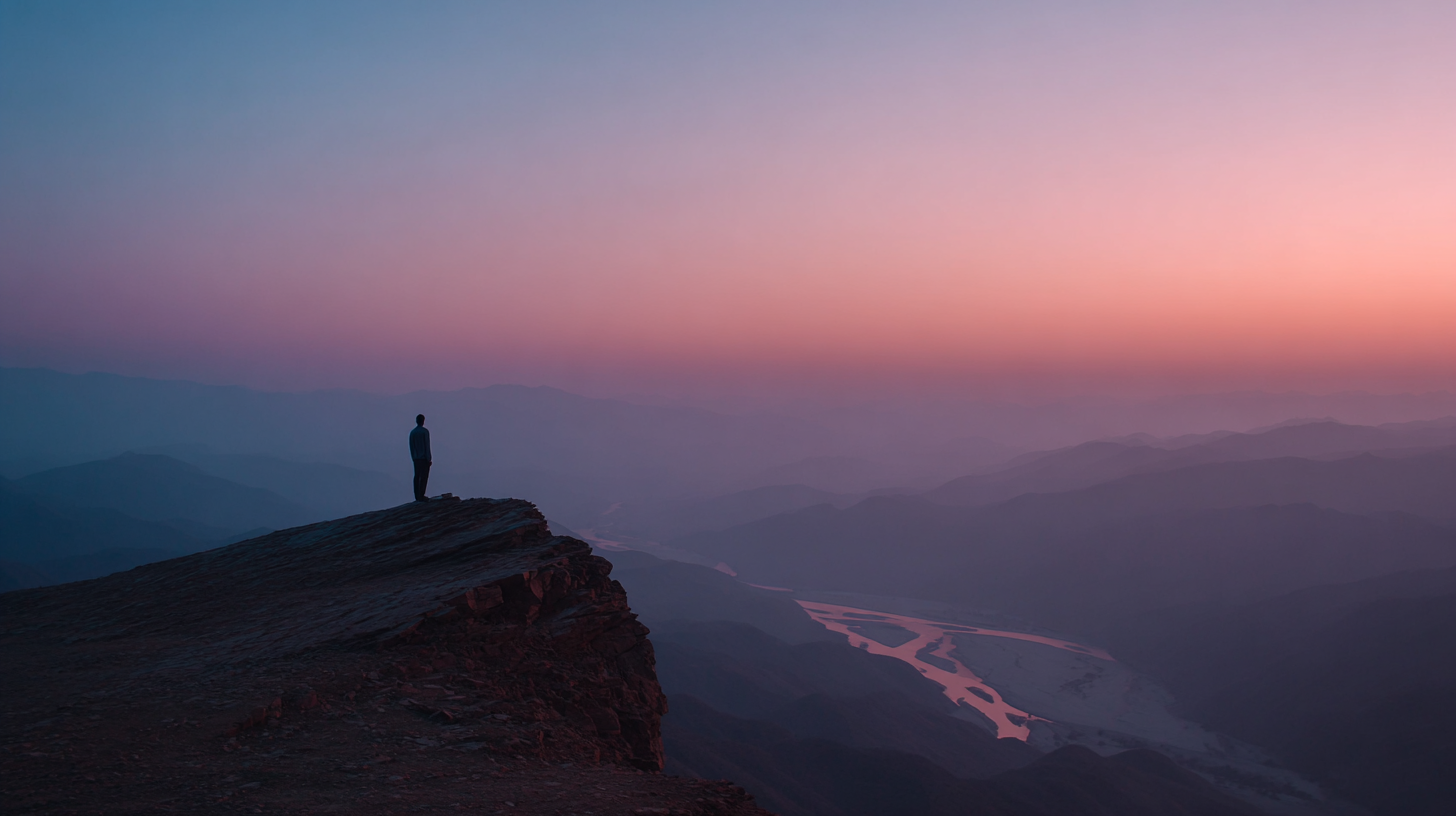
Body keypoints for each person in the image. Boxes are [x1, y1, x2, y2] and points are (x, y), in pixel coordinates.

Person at [409, 414, 432, 501]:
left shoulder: (412, 433)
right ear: (423, 421)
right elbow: (427, 445)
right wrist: (429, 458)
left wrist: (413, 457)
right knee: (424, 477)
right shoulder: (424, 432)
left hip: (416, 459)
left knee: (417, 476)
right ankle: (421, 494)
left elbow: (411, 446)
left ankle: (417, 495)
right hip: (424, 459)